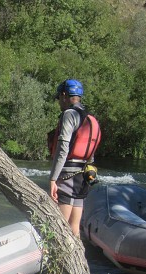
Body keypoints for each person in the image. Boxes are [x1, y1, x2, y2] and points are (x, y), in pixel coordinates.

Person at [48, 79, 101, 236]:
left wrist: (53, 178)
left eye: (59, 98)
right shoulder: (91, 119)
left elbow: (62, 148)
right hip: (83, 176)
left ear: (64, 95)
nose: (59, 102)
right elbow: (90, 153)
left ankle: (58, 260)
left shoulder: (69, 115)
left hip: (67, 175)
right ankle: (77, 258)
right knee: (74, 228)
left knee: (60, 228)